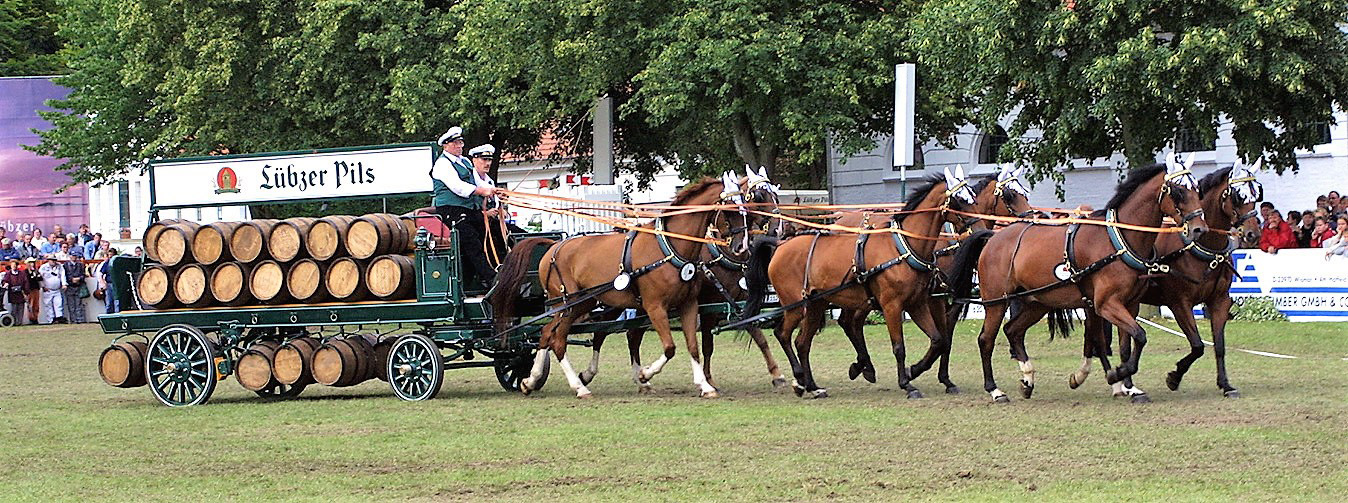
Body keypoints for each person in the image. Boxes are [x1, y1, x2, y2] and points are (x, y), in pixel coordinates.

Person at [430, 127, 499, 289]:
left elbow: (477, 182)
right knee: (471, 239)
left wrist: (493, 191)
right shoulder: (442, 164)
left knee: (492, 231)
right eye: (456, 143)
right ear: (446, 145)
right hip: (450, 210)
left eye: (461, 142)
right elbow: (458, 187)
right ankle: (491, 278)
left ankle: (495, 269)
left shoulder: (465, 162)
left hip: (467, 211)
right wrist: (482, 191)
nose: (460, 146)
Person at [38, 256, 66, 323]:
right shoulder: (43, 267)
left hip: (57, 289)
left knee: (58, 304)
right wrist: (42, 286)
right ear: (48, 260)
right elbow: (39, 278)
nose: (53, 261)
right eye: (52, 260)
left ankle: (59, 318)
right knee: (48, 305)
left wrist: (64, 284)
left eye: (54, 260)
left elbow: (63, 275)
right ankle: (51, 320)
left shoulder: (59, 266)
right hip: (48, 289)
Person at [62, 246, 86, 323]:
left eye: (75, 256)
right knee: (71, 305)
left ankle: (80, 319)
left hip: (78, 286)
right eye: (72, 256)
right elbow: (64, 275)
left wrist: (79, 278)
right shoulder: (66, 265)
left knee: (79, 304)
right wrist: (71, 279)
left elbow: (83, 275)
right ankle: (73, 320)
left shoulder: (80, 265)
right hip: (70, 286)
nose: (74, 257)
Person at [3, 260, 29, 324]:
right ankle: (14, 322)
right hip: (12, 293)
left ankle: (20, 322)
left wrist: (26, 292)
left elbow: (25, 282)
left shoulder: (21, 274)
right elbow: (5, 281)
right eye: (12, 265)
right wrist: (6, 284)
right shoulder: (8, 273)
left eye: (15, 265)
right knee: (14, 309)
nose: (14, 266)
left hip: (21, 293)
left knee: (21, 308)